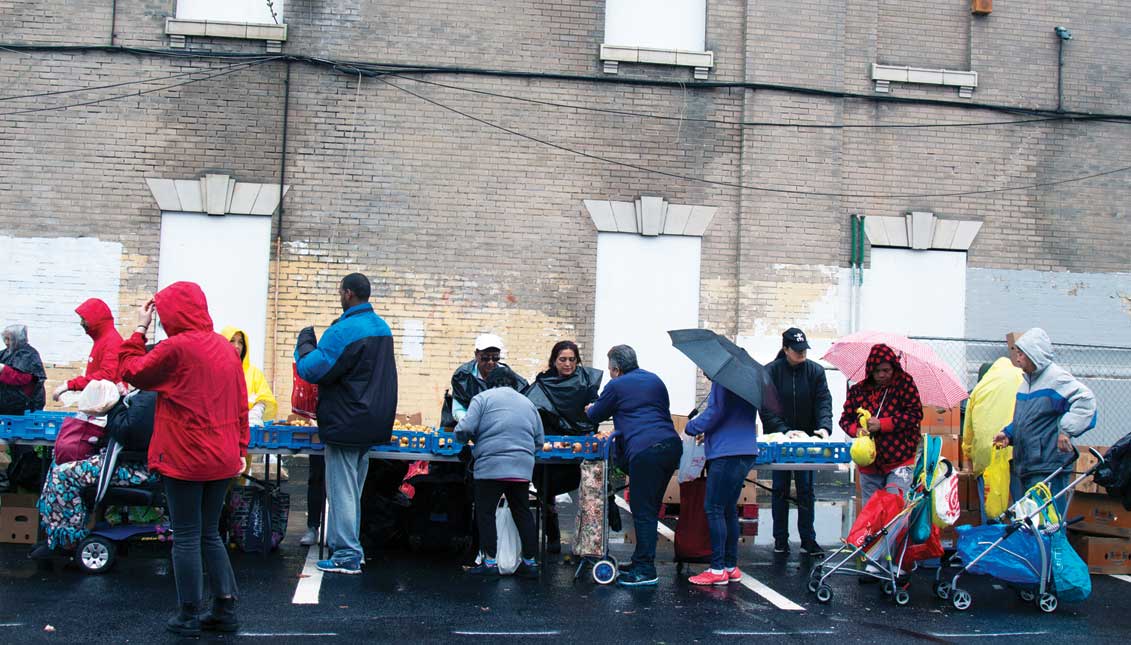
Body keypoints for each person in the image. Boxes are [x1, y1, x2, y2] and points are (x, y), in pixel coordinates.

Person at [119, 282, 247, 636]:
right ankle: (225, 608)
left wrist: (140, 328)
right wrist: (240, 448)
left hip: (185, 457)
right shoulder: (225, 347)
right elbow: (240, 403)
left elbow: (131, 370)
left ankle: (188, 614)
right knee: (210, 533)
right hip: (222, 456)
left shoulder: (175, 348)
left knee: (187, 535)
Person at [295, 272, 398, 575]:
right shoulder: (381, 327)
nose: (340, 296)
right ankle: (353, 548)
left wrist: (303, 346)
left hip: (345, 421)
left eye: (341, 292)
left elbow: (313, 370)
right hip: (372, 422)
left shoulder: (343, 330)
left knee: (341, 491)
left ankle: (347, 554)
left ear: (349, 294)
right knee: (354, 488)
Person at [586, 345, 681, 587]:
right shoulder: (654, 380)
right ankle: (640, 560)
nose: (609, 373)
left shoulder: (616, 385)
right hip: (670, 446)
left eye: (610, 370)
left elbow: (596, 414)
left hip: (645, 451)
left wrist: (590, 409)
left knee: (644, 511)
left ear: (616, 369)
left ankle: (646, 570)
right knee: (650, 506)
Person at [33, 387, 158, 558]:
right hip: (134, 463)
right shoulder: (147, 393)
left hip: (138, 468)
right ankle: (56, 536)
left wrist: (114, 407)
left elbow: (129, 433)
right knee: (58, 464)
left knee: (63, 474)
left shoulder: (149, 395)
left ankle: (68, 540)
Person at [995, 328, 1096, 516]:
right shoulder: (1026, 383)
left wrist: (1066, 431)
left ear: (1035, 354)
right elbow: (1027, 420)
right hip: (1027, 465)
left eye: (1021, 354)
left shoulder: (1057, 379)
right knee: (1029, 524)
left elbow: (1086, 401)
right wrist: (1008, 434)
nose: (1017, 359)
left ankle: (1052, 547)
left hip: (1047, 465)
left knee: (1048, 524)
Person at [454, 365, 544, 578]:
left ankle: (491, 563)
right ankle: (530, 563)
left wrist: (465, 440)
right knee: (522, 512)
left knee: (485, 514)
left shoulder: (482, 399)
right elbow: (539, 440)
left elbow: (464, 428)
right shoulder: (528, 403)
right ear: (513, 383)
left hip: (490, 467)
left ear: (490, 382)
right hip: (521, 469)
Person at [524, 340, 604, 553]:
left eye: (572, 359)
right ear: (554, 360)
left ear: (577, 360)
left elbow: (595, 410)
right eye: (563, 359)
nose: (567, 364)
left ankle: (586, 542)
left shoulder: (587, 380)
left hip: (580, 444)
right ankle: (553, 537)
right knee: (546, 490)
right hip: (551, 444)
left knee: (585, 493)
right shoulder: (543, 383)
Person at [763, 327, 832, 556]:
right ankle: (780, 539)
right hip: (780, 440)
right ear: (785, 349)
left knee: (806, 489)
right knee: (780, 489)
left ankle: (807, 539)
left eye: (804, 350)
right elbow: (766, 408)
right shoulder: (770, 372)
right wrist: (783, 431)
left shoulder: (815, 372)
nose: (802, 354)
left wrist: (823, 427)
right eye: (797, 350)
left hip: (807, 441)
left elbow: (823, 401)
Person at [682, 378, 759, 585]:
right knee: (728, 509)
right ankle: (730, 566)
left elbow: (715, 412)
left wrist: (692, 426)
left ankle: (716, 569)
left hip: (726, 452)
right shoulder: (749, 383)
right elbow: (730, 415)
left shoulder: (723, 381)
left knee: (714, 507)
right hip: (746, 450)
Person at [840, 344, 924, 505]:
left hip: (899, 461)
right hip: (869, 465)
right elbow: (845, 419)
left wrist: (883, 424)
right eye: (877, 371)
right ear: (870, 370)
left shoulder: (904, 384)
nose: (881, 375)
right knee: (872, 517)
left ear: (894, 367)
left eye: (886, 370)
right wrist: (857, 431)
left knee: (895, 511)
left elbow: (915, 414)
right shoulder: (858, 390)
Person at [220, 326, 279, 485]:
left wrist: (254, 415)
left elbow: (264, 398)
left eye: (240, 342)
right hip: (220, 436)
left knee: (240, 477)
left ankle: (236, 506)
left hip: (246, 435)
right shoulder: (216, 370)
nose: (237, 346)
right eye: (232, 341)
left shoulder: (253, 373)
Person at [52, 298, 122, 402]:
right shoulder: (103, 340)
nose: (81, 323)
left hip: (106, 406)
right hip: (101, 403)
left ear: (95, 318)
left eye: (83, 319)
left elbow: (107, 375)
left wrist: (70, 385)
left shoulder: (111, 341)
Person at [449, 334, 528, 423]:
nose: (490, 362)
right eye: (485, 358)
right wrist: (470, 423)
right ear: (476, 355)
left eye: (495, 357)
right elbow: (459, 409)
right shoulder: (463, 376)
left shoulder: (507, 375)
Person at [0, 324, 47, 414]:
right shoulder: (5, 353)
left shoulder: (28, 354)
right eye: (4, 339)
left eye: (9, 339)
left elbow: (22, 378)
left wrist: (3, 369)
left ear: (18, 339)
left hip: (23, 406)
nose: (6, 342)